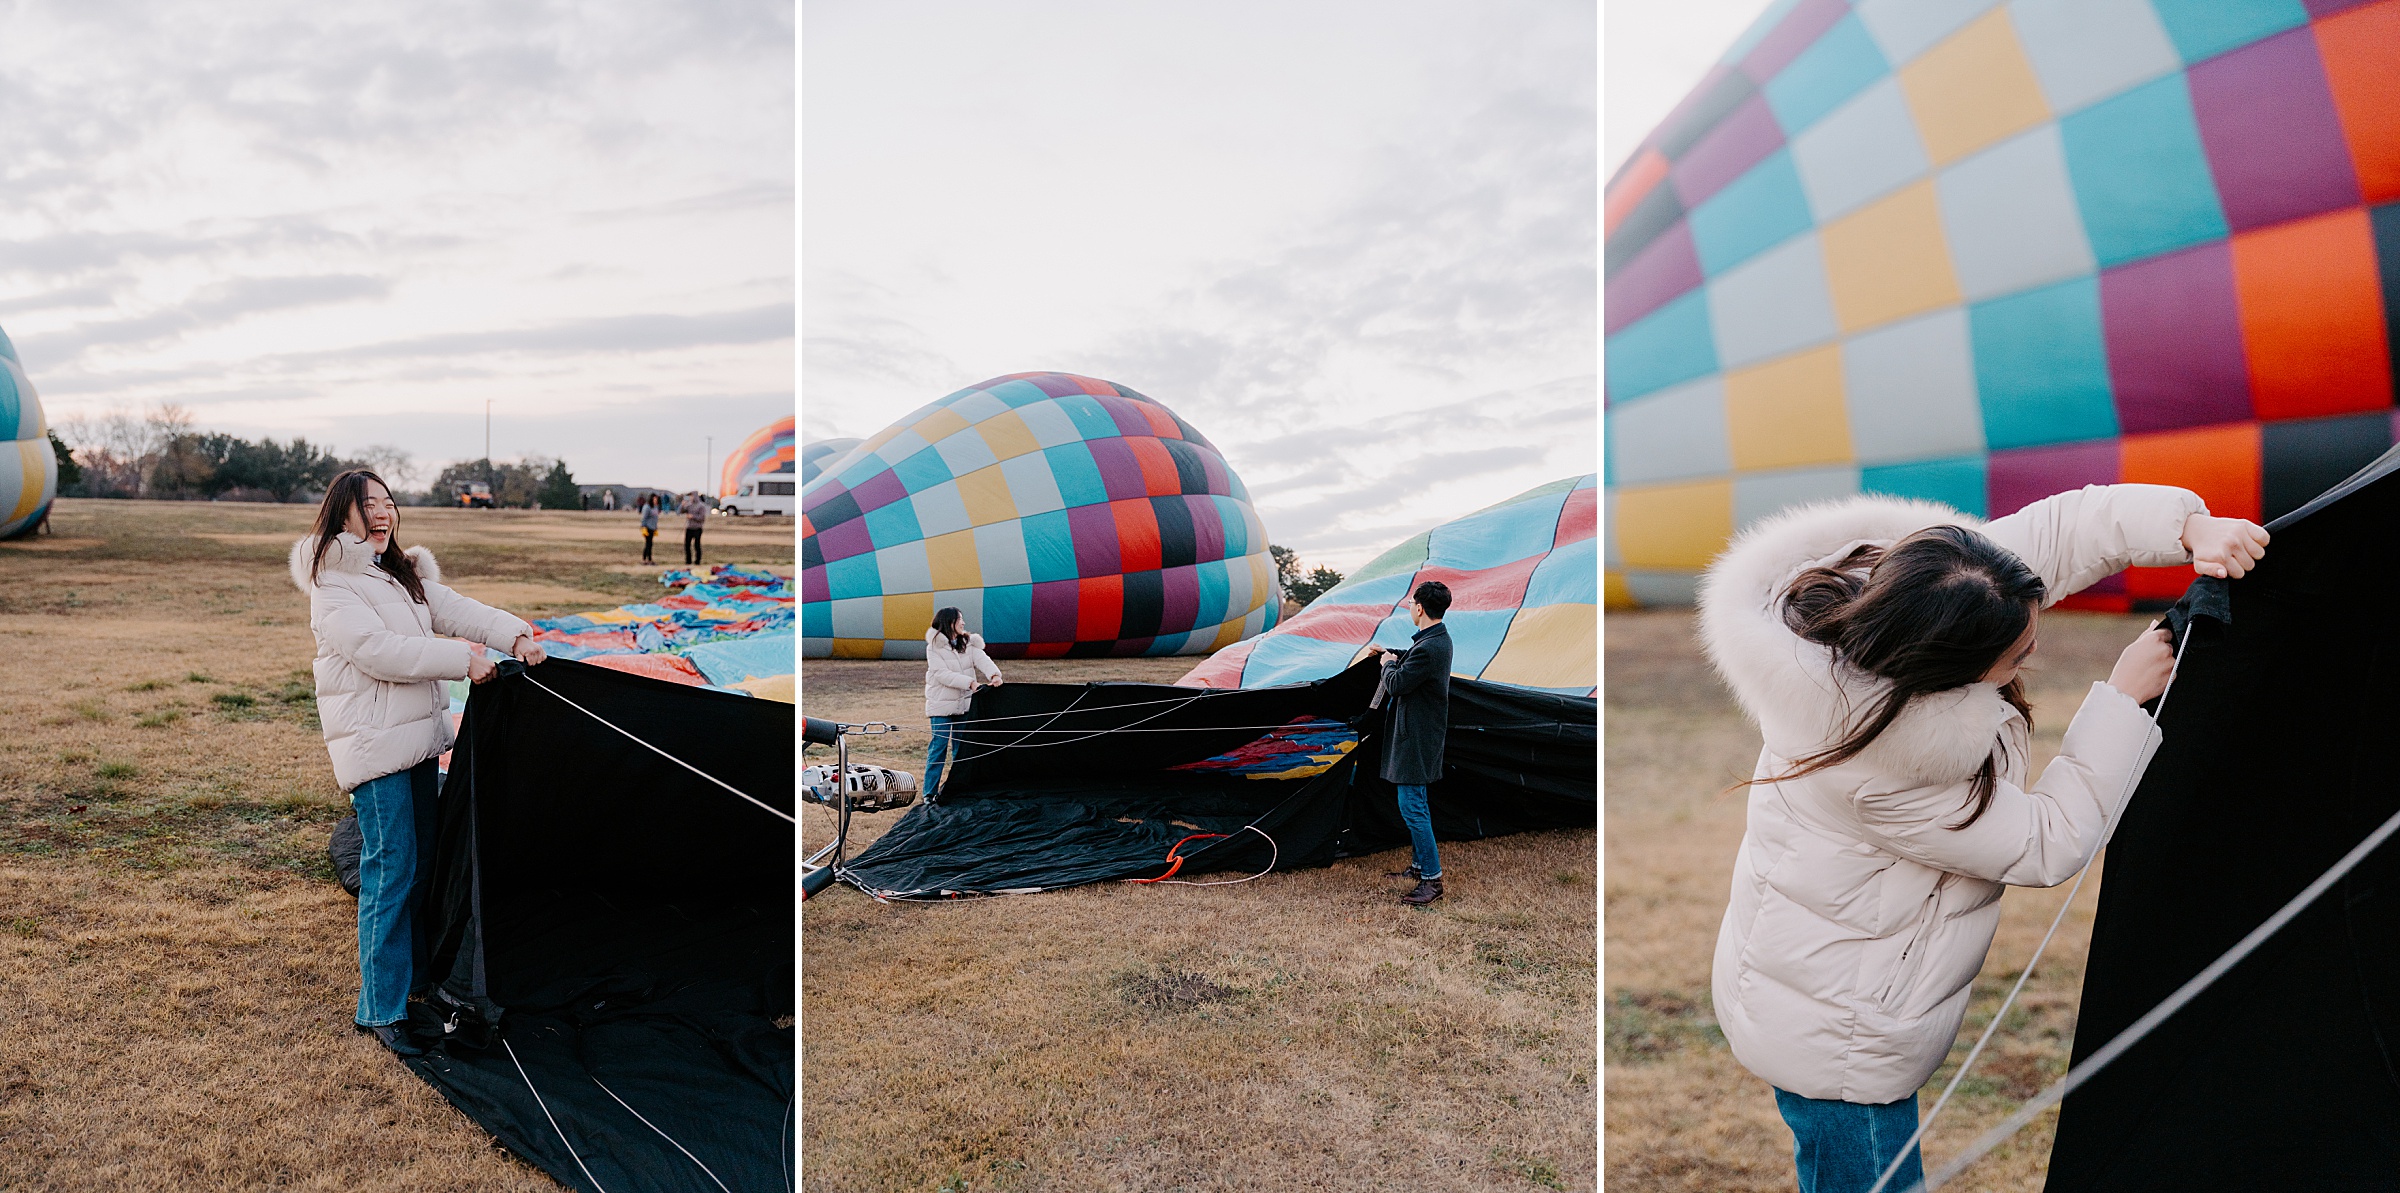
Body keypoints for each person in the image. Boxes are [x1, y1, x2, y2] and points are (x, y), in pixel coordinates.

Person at [1697, 485, 2271, 1192]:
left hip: (1808, 986)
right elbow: (2046, 841)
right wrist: (2122, 700)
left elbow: (2061, 532)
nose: (2034, 649)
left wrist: (2189, 527)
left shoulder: (1928, 589)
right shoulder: (1884, 767)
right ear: (1946, 670)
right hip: (1837, 1035)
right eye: (2017, 656)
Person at [289, 469, 549, 1057]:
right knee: (391, 871)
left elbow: (459, 610)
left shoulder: (401, 575)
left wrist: (517, 636)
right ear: (342, 515)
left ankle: (416, 984)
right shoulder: (333, 586)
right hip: (375, 750)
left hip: (417, 744)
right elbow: (379, 653)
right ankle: (379, 1010)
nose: (383, 513)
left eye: (388, 503)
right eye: (368, 505)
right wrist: (462, 660)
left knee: (424, 867)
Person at [1366, 580, 1453, 906]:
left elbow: (1399, 684)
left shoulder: (1431, 646)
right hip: (1421, 735)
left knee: (1412, 807)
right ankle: (1418, 867)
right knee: (1417, 803)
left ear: (1419, 608)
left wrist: (1388, 664)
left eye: (1411, 604)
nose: (1409, 609)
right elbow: (1418, 663)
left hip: (1415, 739)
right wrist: (1392, 653)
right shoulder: (1435, 640)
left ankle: (1431, 880)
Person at [921, 607, 1001, 799]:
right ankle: (929, 793)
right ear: (950, 623)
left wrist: (995, 675)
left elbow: (982, 660)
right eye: (960, 620)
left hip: (964, 704)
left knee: (962, 749)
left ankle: (957, 789)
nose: (963, 623)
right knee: (939, 747)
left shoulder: (968, 644)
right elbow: (941, 674)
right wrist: (971, 683)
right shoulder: (934, 647)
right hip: (941, 705)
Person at [680, 490, 708, 566]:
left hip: (697, 528)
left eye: (691, 496)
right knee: (687, 545)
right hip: (689, 528)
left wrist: (693, 516)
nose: (690, 498)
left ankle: (697, 561)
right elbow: (681, 512)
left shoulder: (701, 506)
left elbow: (702, 518)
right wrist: (682, 505)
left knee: (697, 545)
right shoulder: (689, 505)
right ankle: (688, 561)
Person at [639, 493, 659, 564]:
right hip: (647, 528)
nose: (656, 501)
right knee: (648, 544)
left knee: (650, 544)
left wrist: (656, 528)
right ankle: (646, 559)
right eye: (655, 499)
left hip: (653, 528)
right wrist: (643, 527)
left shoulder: (655, 507)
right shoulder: (647, 507)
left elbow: (656, 518)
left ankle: (649, 559)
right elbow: (644, 518)